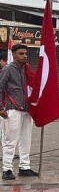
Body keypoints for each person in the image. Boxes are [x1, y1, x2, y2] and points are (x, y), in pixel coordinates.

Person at [0, 44, 39, 180]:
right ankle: (7, 169)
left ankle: (24, 167)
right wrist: (0, 108)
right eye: (21, 54)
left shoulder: (27, 69)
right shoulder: (7, 69)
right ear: (14, 55)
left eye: (26, 54)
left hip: (27, 110)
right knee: (10, 141)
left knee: (26, 140)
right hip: (12, 109)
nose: (24, 56)